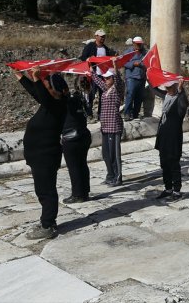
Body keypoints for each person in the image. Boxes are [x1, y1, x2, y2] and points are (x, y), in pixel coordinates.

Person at [15, 68, 67, 239]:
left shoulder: (55, 105)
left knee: (46, 192)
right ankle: (48, 220)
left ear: (54, 90)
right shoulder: (51, 103)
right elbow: (36, 93)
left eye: (47, 84)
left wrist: (36, 78)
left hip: (45, 156)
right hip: (40, 156)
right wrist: (21, 77)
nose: (44, 86)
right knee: (43, 190)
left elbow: (41, 94)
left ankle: (47, 225)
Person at [153, 79, 189, 200]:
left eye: (170, 88)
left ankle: (177, 190)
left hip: (173, 138)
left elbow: (183, 104)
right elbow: (154, 88)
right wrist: (147, 73)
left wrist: (181, 89)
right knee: (164, 164)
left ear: (175, 87)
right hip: (163, 136)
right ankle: (168, 188)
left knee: (174, 164)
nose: (168, 90)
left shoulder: (179, 100)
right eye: (167, 88)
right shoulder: (167, 97)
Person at [91, 64, 125, 186]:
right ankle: (110, 175)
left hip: (114, 127)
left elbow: (119, 81)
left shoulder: (117, 90)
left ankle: (117, 177)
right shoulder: (106, 90)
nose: (105, 80)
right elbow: (97, 81)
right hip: (105, 127)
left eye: (108, 78)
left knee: (114, 154)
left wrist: (115, 66)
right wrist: (91, 70)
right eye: (105, 78)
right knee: (106, 154)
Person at [61, 78, 92, 204]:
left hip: (71, 137)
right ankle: (84, 192)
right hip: (84, 135)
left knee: (74, 166)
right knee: (82, 164)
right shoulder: (80, 99)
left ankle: (77, 194)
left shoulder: (65, 102)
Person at [79, 29, 116, 120]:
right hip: (93, 74)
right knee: (91, 94)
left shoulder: (106, 49)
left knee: (103, 95)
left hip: (103, 75)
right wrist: (88, 59)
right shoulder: (90, 46)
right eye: (101, 36)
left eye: (104, 36)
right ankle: (89, 114)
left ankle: (101, 114)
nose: (103, 38)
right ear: (96, 36)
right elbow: (83, 57)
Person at [123, 36, 147, 121]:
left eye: (140, 44)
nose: (139, 46)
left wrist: (141, 64)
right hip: (131, 77)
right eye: (137, 44)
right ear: (133, 43)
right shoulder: (128, 52)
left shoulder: (145, 53)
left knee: (139, 97)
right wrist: (133, 64)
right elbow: (123, 62)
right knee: (130, 94)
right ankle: (127, 113)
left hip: (141, 77)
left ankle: (135, 114)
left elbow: (147, 63)